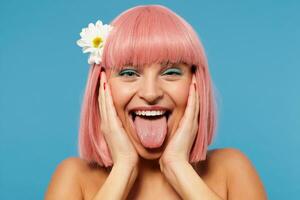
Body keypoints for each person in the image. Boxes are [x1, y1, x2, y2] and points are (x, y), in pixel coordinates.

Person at [45, 5, 267, 200]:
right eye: (129, 73)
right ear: (102, 86)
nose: (150, 93)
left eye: (170, 72)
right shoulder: (74, 177)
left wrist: (178, 168)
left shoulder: (232, 169)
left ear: (196, 83)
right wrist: (123, 167)